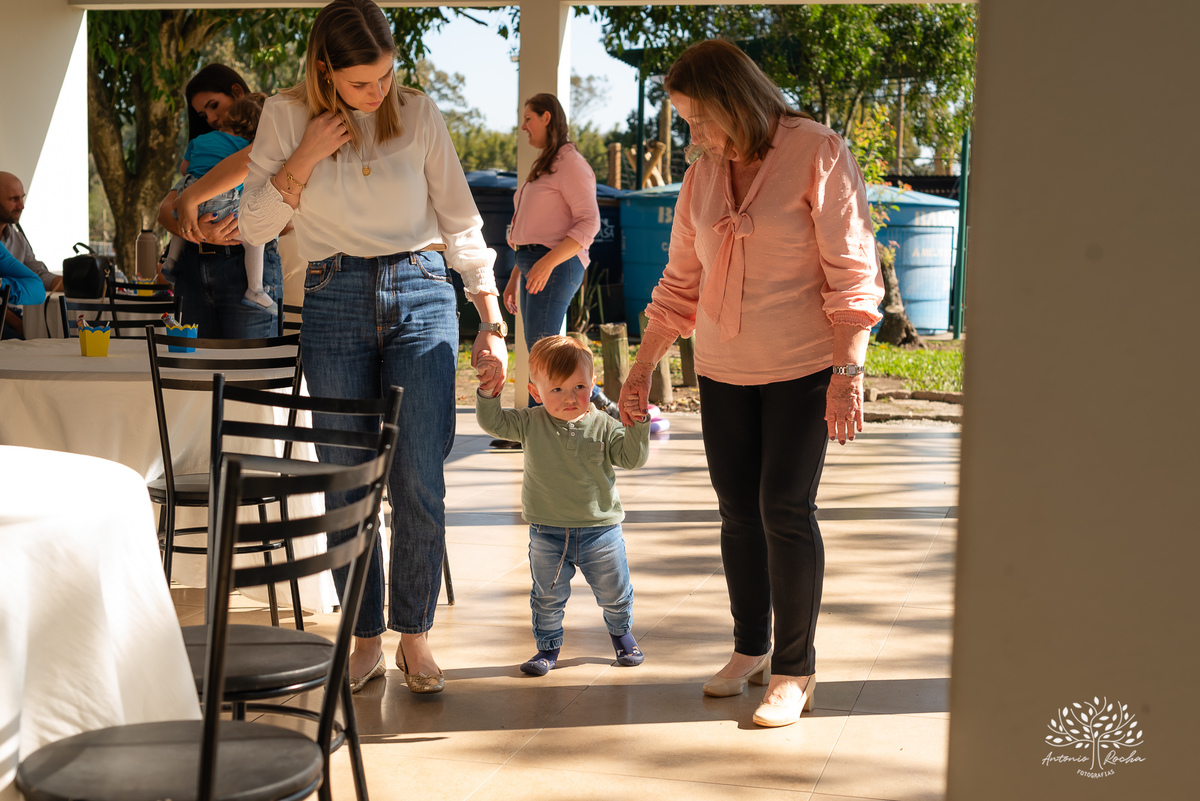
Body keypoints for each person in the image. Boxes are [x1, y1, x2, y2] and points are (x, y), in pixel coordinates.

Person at [238, 0, 508, 695]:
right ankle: (364, 637)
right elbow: (254, 225)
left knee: (418, 476)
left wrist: (491, 320)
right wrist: (306, 154)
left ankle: (414, 635)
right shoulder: (285, 116)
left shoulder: (417, 113)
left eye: (385, 75)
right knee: (346, 480)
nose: (377, 92)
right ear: (323, 70)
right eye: (360, 82)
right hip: (332, 298)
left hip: (422, 290)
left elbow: (460, 219)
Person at [619, 40, 884, 728]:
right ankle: (750, 647)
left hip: (802, 365)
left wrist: (847, 371)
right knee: (737, 510)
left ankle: (795, 670)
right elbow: (680, 282)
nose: (694, 135)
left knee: (784, 509)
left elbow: (853, 273)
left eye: (700, 119)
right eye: (686, 121)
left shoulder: (817, 151)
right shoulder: (704, 175)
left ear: (735, 100)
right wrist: (642, 366)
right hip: (723, 367)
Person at [475, 336, 650, 675]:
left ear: (593, 385)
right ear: (536, 392)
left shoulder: (605, 424)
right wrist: (488, 394)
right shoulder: (530, 422)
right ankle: (547, 647)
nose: (570, 397)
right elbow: (494, 423)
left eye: (579, 387)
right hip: (547, 532)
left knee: (615, 592)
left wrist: (638, 424)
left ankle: (622, 634)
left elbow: (632, 458)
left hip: (601, 532)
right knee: (547, 597)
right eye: (557, 389)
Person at [500, 93, 618, 431]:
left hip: (556, 265)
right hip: (535, 263)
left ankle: (557, 425)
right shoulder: (546, 163)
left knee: (545, 353)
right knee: (540, 352)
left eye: (529, 118)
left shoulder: (571, 164)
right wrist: (516, 276)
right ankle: (574, 417)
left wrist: (547, 263)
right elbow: (534, 230)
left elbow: (589, 223)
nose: (523, 126)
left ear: (547, 117)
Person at [156, 64, 283, 337]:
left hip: (239, 265)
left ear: (237, 92)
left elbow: (289, 214)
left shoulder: (270, 140)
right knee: (193, 360)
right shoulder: (211, 153)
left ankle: (254, 288)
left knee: (248, 363)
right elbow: (165, 210)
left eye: (214, 106)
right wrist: (199, 231)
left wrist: (192, 205)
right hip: (194, 266)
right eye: (204, 115)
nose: (212, 118)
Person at [1, 172, 59, 338]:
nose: (21, 206)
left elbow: (38, 275)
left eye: (22, 198)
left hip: (14, 313)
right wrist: (17, 324)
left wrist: (76, 284)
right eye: (14, 199)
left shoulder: (18, 239)